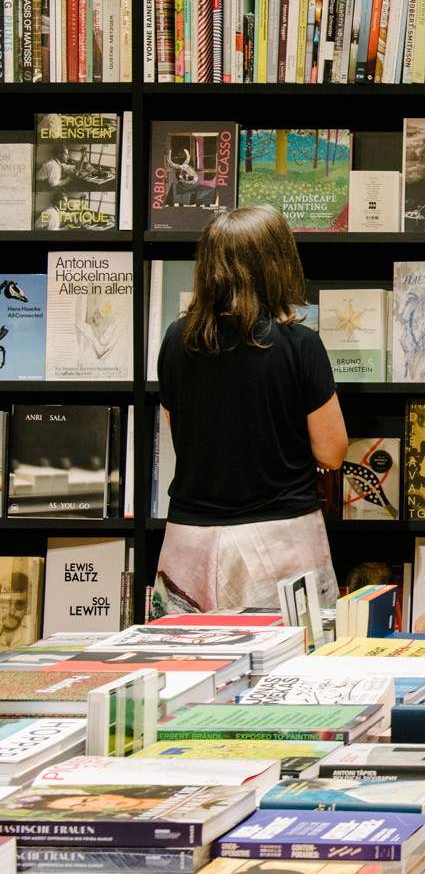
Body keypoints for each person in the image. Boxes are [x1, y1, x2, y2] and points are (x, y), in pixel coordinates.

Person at [155, 206, 346, 613]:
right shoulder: (298, 342)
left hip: (191, 537)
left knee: (191, 668)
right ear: (278, 261)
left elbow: (179, 433)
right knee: (289, 668)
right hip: (280, 539)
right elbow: (332, 452)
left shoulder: (176, 340)